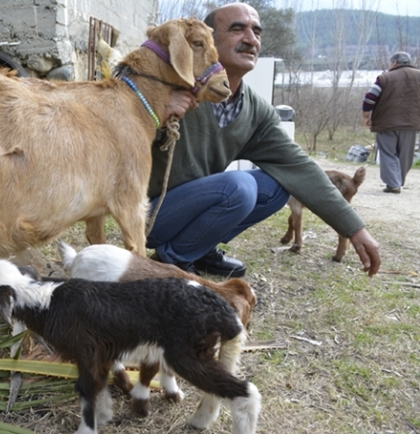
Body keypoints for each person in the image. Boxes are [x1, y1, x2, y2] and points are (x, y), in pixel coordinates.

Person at [146, 2, 381, 278]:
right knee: (240, 186)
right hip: (150, 215)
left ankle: (199, 247)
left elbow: (299, 167)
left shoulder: (255, 110)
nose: (250, 39)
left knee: (275, 185)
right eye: (237, 29)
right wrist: (157, 109)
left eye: (256, 32)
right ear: (208, 39)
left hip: (198, 205)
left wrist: (354, 228)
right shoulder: (170, 81)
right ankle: (171, 260)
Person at [362, 51, 420, 194]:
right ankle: (398, 181)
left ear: (394, 62)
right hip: (411, 122)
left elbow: (370, 98)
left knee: (388, 153)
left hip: (386, 123)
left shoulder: (384, 78)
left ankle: (393, 184)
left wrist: (366, 116)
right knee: (406, 154)